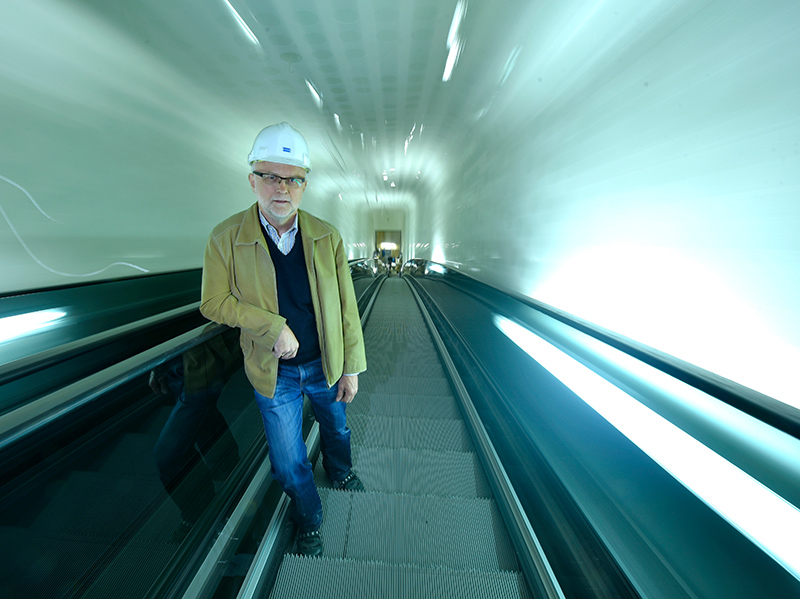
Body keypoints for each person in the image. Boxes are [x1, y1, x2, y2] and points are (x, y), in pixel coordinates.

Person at [199, 122, 367, 557]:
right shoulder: (225, 238)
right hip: (274, 373)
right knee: (289, 465)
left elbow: (347, 307)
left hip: (325, 363)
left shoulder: (327, 236)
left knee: (338, 428)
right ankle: (310, 516)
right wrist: (270, 326)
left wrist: (350, 366)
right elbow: (213, 302)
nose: (282, 188)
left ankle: (341, 471)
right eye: (271, 176)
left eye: (293, 179)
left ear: (304, 185)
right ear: (252, 179)